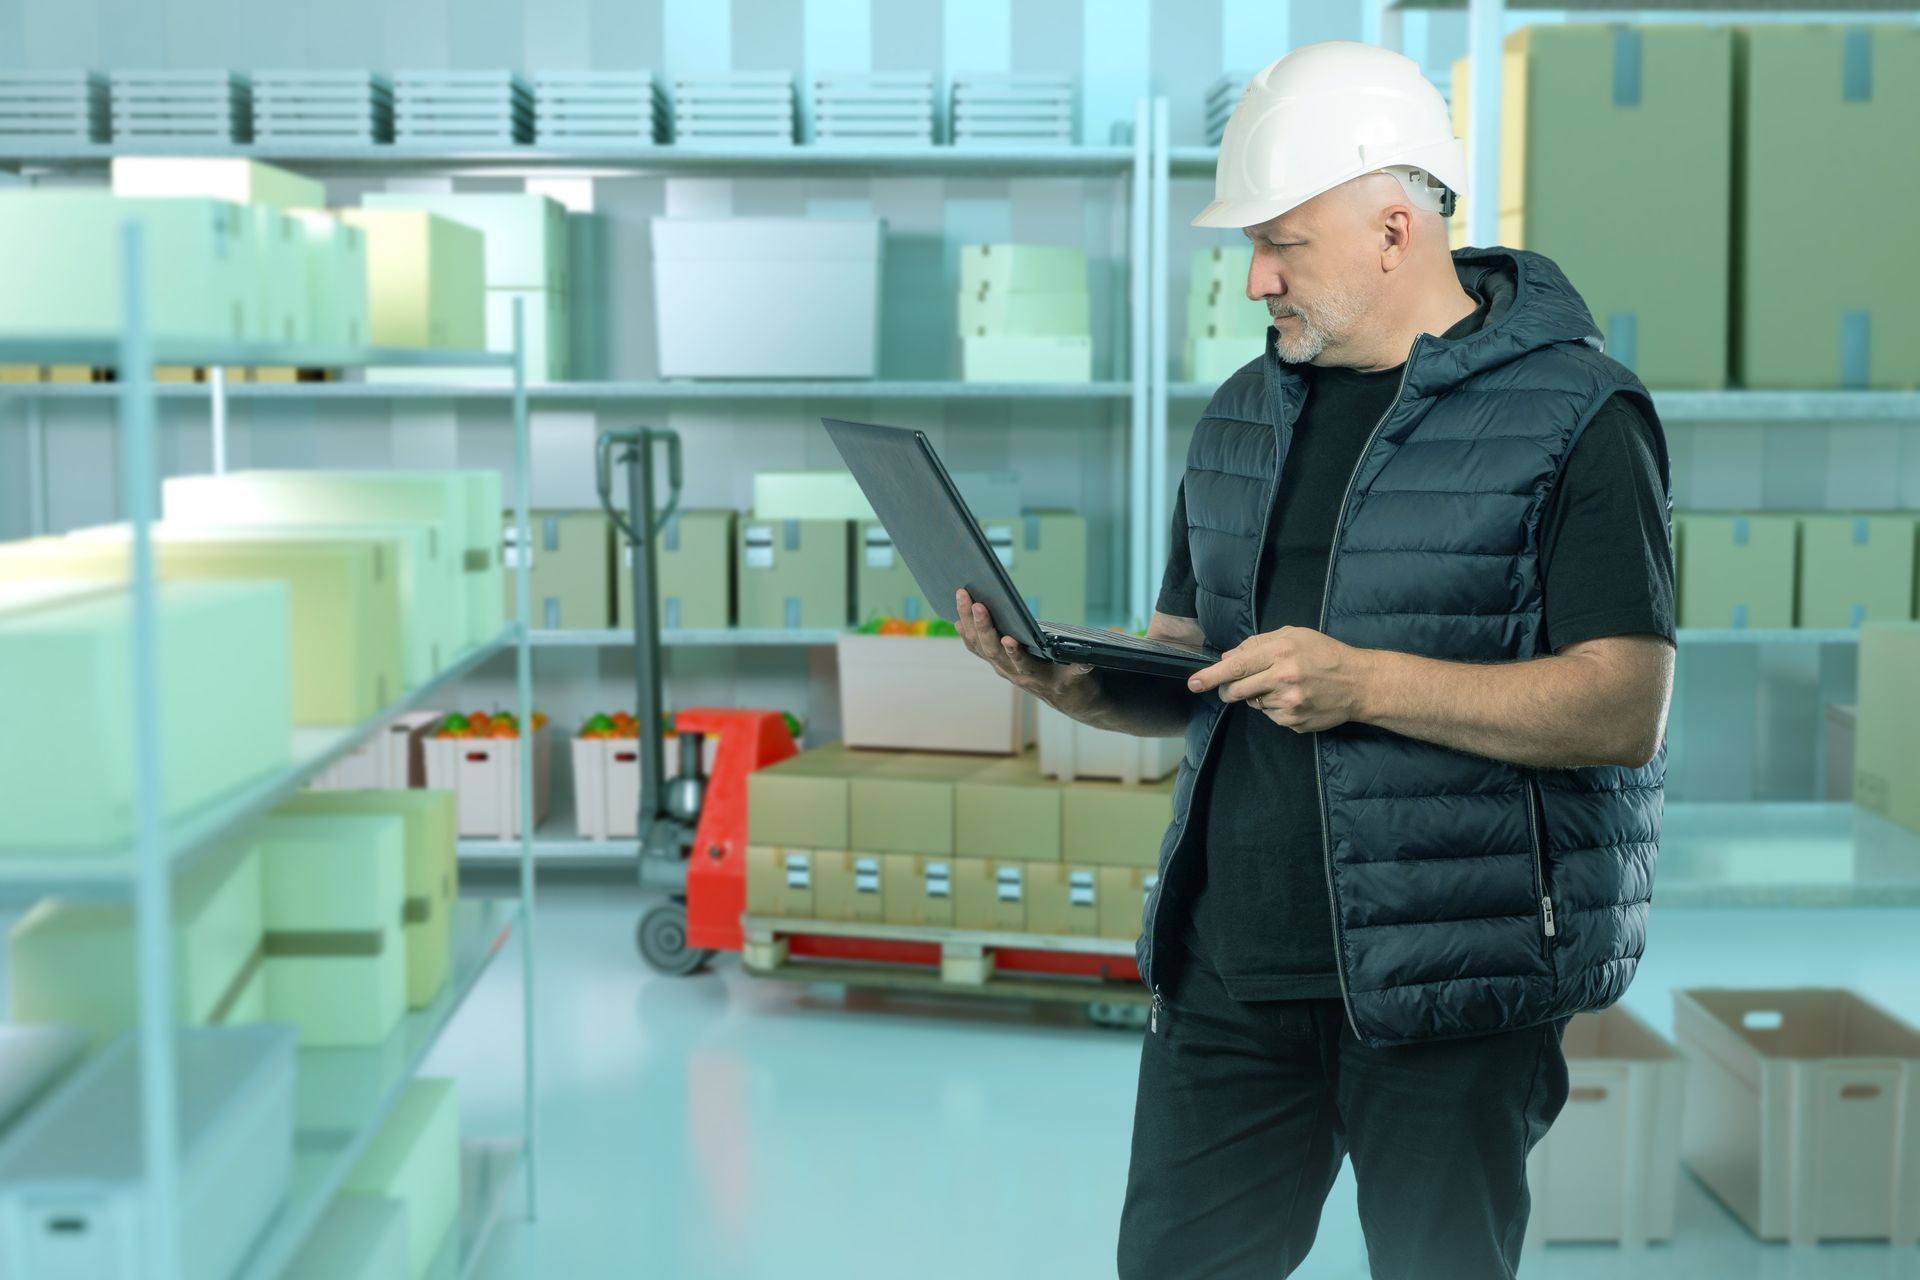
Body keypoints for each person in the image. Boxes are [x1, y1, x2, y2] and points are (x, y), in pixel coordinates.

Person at [953, 40, 1675, 1280]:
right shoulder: (1244, 408)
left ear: (1396, 229)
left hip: (1449, 978)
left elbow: (1624, 704)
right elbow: (1197, 663)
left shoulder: (1578, 416)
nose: (1255, 279)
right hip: (1232, 963)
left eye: (1280, 242)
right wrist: (1076, 682)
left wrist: (1366, 683)